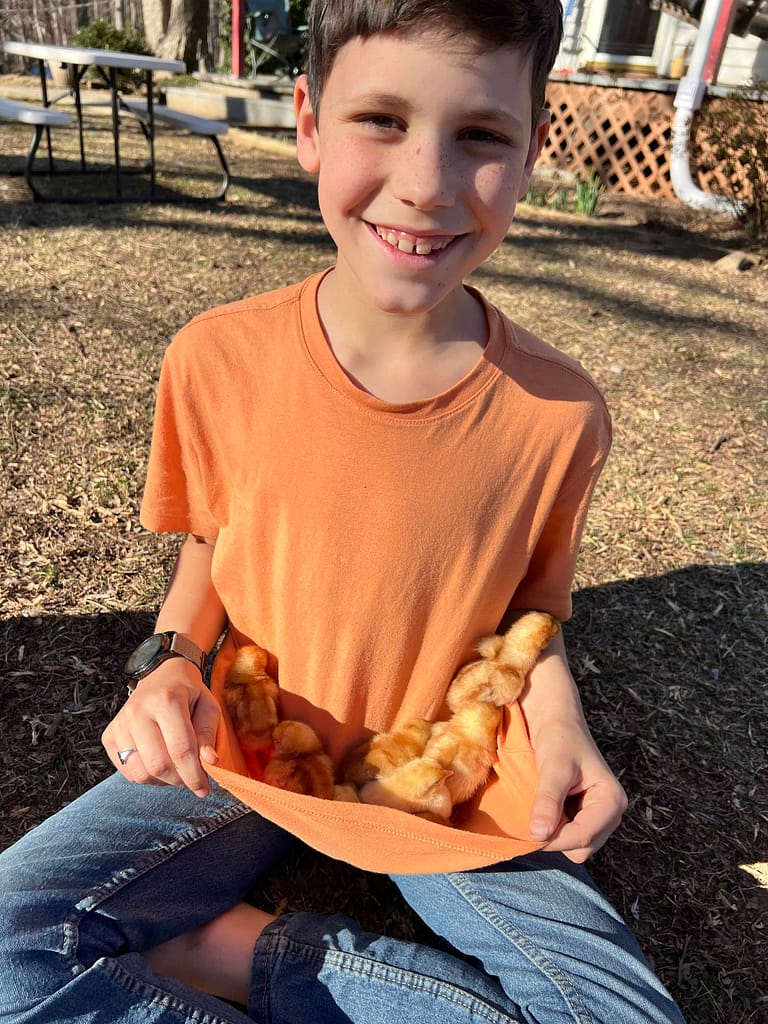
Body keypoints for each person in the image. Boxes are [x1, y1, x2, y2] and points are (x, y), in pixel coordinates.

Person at [0, 2, 687, 1022]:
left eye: (480, 134)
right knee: (10, 940)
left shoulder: (561, 412)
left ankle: (243, 954)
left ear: (534, 149)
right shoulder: (216, 357)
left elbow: (529, 612)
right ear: (310, 123)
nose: (426, 183)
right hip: (247, 751)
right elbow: (212, 545)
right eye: (381, 120)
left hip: (450, 775)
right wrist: (168, 664)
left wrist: (559, 720)